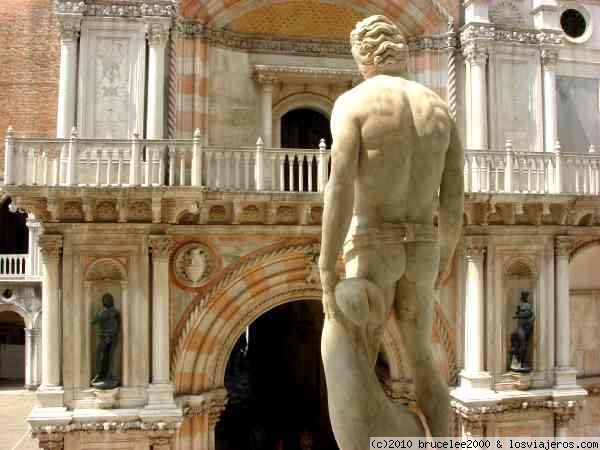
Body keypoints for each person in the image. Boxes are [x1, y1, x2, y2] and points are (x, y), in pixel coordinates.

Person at [319, 15, 464, 437]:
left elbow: (340, 185)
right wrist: (446, 253)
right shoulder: (438, 109)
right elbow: (454, 197)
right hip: (423, 244)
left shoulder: (353, 103)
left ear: (362, 54)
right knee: (421, 358)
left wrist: (327, 263)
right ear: (400, 52)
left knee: (351, 355)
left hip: (372, 243)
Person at [91, 293, 120, 388]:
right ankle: (103, 375)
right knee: (105, 357)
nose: (105, 301)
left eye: (106, 300)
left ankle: (104, 375)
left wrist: (101, 316)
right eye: (105, 300)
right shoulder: (113, 312)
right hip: (109, 337)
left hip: (107, 338)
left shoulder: (106, 312)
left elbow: (93, 322)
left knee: (103, 357)